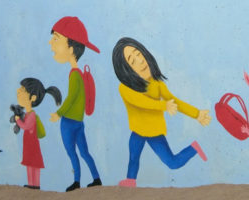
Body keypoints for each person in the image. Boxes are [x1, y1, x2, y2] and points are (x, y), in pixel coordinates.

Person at [112, 37, 211, 187]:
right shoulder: (125, 88)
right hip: (137, 131)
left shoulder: (157, 84)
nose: (140, 61)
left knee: (172, 163)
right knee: (133, 157)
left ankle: (193, 149)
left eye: (138, 54)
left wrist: (196, 114)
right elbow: (141, 102)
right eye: (132, 61)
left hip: (154, 132)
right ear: (126, 71)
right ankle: (131, 180)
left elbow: (174, 101)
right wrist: (163, 106)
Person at [49, 16, 102, 191]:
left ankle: (77, 182)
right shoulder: (78, 75)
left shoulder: (74, 75)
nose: (51, 43)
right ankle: (96, 179)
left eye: (56, 39)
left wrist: (59, 113)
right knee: (85, 152)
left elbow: (71, 98)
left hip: (69, 122)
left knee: (72, 153)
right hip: (79, 122)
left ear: (71, 49)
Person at [12, 77, 62, 190]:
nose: (18, 92)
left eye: (22, 90)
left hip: (32, 145)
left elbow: (25, 126)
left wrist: (18, 120)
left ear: (33, 97)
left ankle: (36, 184)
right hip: (28, 144)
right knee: (29, 164)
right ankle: (31, 183)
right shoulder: (28, 114)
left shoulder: (32, 115)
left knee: (34, 165)